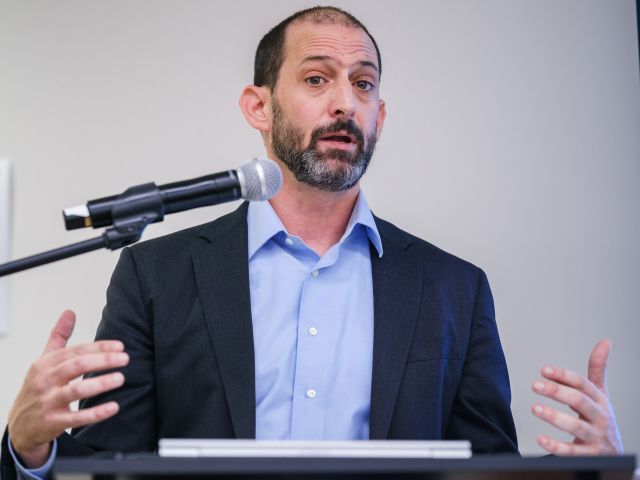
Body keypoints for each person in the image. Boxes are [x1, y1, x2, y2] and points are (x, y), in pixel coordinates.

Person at [1, 6, 623, 479]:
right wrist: (29, 447)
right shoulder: (155, 275)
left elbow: (485, 468)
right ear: (258, 106)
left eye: (363, 84)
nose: (345, 104)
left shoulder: (454, 289)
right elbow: (110, 459)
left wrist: (593, 472)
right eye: (318, 79)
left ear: (382, 114)